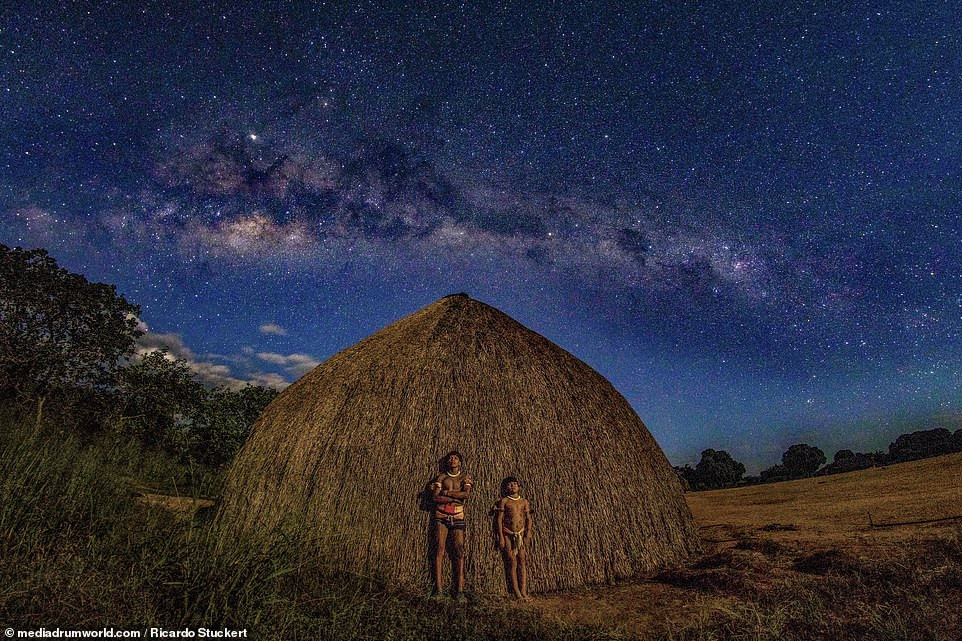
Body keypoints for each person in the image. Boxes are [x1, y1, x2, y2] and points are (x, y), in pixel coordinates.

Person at [430, 450, 473, 598]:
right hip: (441, 514)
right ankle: (439, 590)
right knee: (439, 549)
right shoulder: (441, 477)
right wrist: (454, 498)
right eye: (450, 458)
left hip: (458, 515)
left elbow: (466, 495)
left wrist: (447, 494)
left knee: (459, 551)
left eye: (455, 458)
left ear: (460, 462)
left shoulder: (465, 478)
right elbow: (435, 497)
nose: (452, 460)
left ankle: (459, 590)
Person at [493, 476, 533, 600]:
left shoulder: (524, 502)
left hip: (520, 534)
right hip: (507, 533)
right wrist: (501, 537)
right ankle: (517, 593)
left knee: (522, 560)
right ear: (506, 488)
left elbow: (528, 519)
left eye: (514, 484)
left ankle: (524, 591)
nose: (512, 486)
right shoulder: (504, 501)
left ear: (519, 486)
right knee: (512, 561)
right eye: (509, 485)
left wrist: (528, 533)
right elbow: (499, 520)